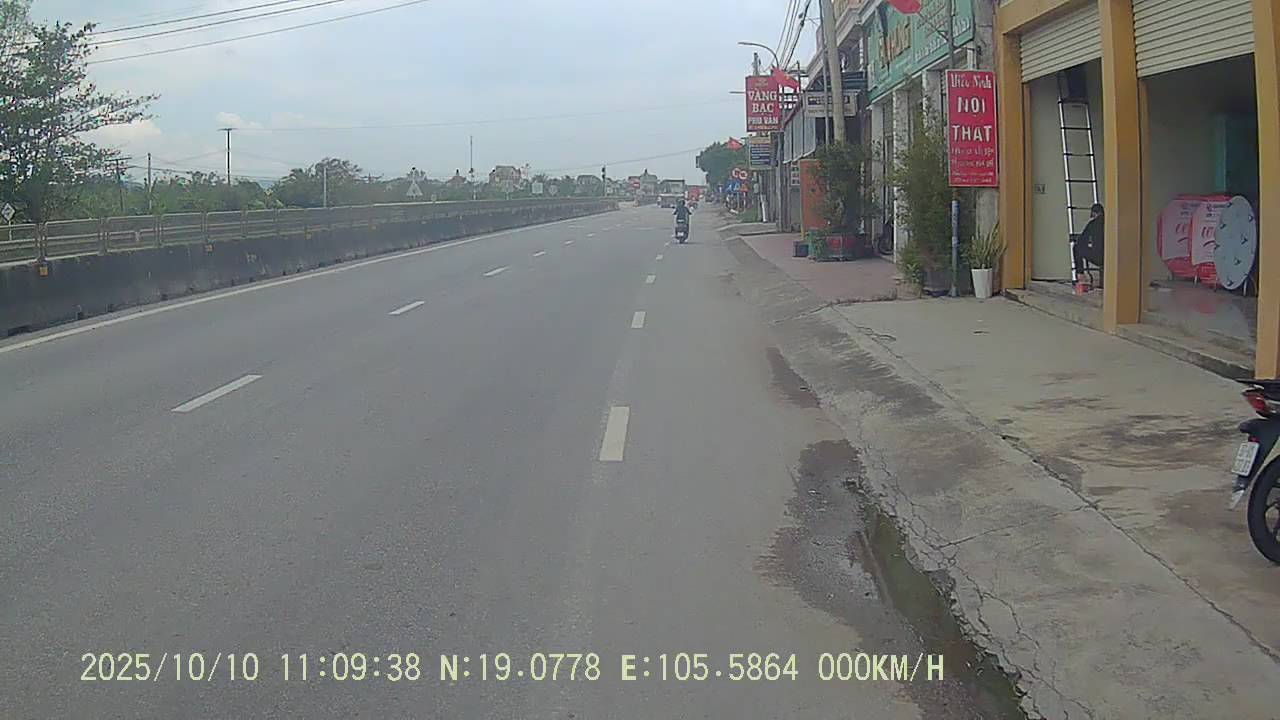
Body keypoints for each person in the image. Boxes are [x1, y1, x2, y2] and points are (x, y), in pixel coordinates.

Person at [1073, 203, 1104, 285]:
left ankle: (1080, 275)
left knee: (1076, 248)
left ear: (1094, 213)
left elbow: (1082, 240)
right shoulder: (1111, 223)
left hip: (1098, 257)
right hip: (1111, 257)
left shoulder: (1092, 224)